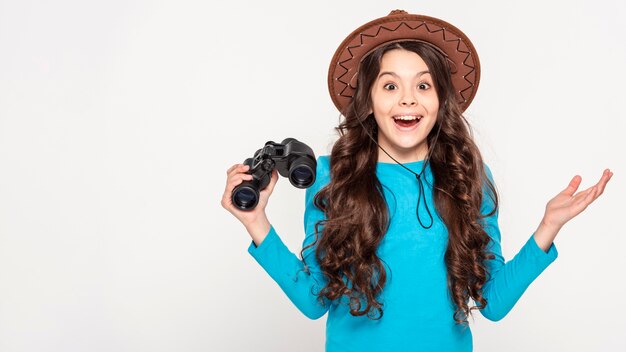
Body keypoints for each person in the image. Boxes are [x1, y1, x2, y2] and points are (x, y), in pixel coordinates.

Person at [221, 10, 612, 352]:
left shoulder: (467, 177)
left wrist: (549, 226)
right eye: (390, 86)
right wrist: (257, 223)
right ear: (368, 101)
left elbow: (492, 302)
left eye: (423, 85)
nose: (408, 99)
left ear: (441, 99)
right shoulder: (331, 176)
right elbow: (313, 301)